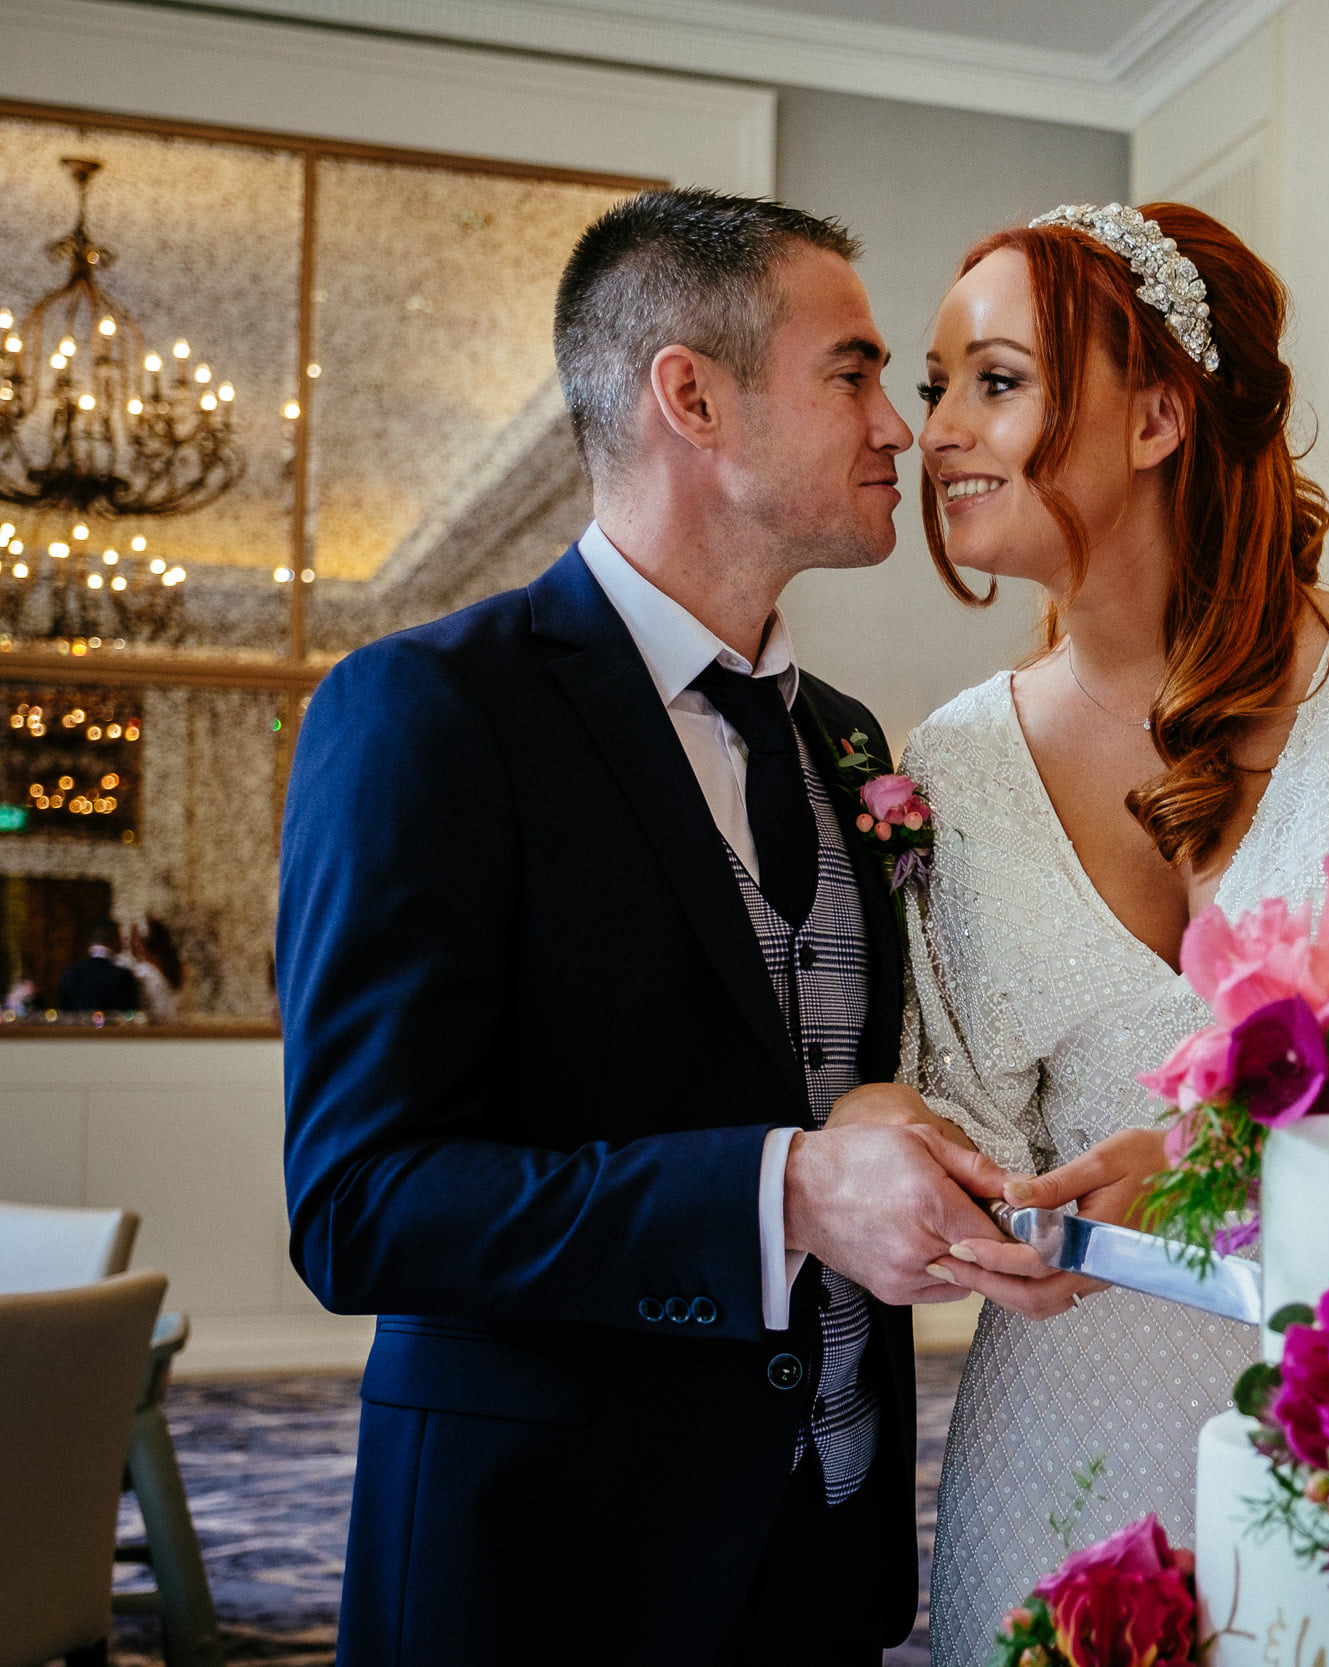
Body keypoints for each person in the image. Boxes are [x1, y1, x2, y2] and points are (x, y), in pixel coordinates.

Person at [278, 188, 1015, 1666]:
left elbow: (815, 1064)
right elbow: (364, 1202)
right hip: (547, 1563)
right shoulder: (432, 710)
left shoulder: (856, 742)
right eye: (854, 372)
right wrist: (787, 1192)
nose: (903, 430)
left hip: (829, 1542)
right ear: (692, 394)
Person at [896, 202, 1329, 1661]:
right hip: (1058, 1450)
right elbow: (963, 1117)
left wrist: (1216, 1164)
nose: (940, 431)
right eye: (933, 384)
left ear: (1159, 415)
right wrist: (957, 1193)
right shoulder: (953, 759)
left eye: (997, 379)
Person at [59, 917, 140, 1012]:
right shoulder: (122, 977)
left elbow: (64, 1017)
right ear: (113, 938)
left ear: (90, 941)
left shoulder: (70, 974)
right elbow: (129, 1018)